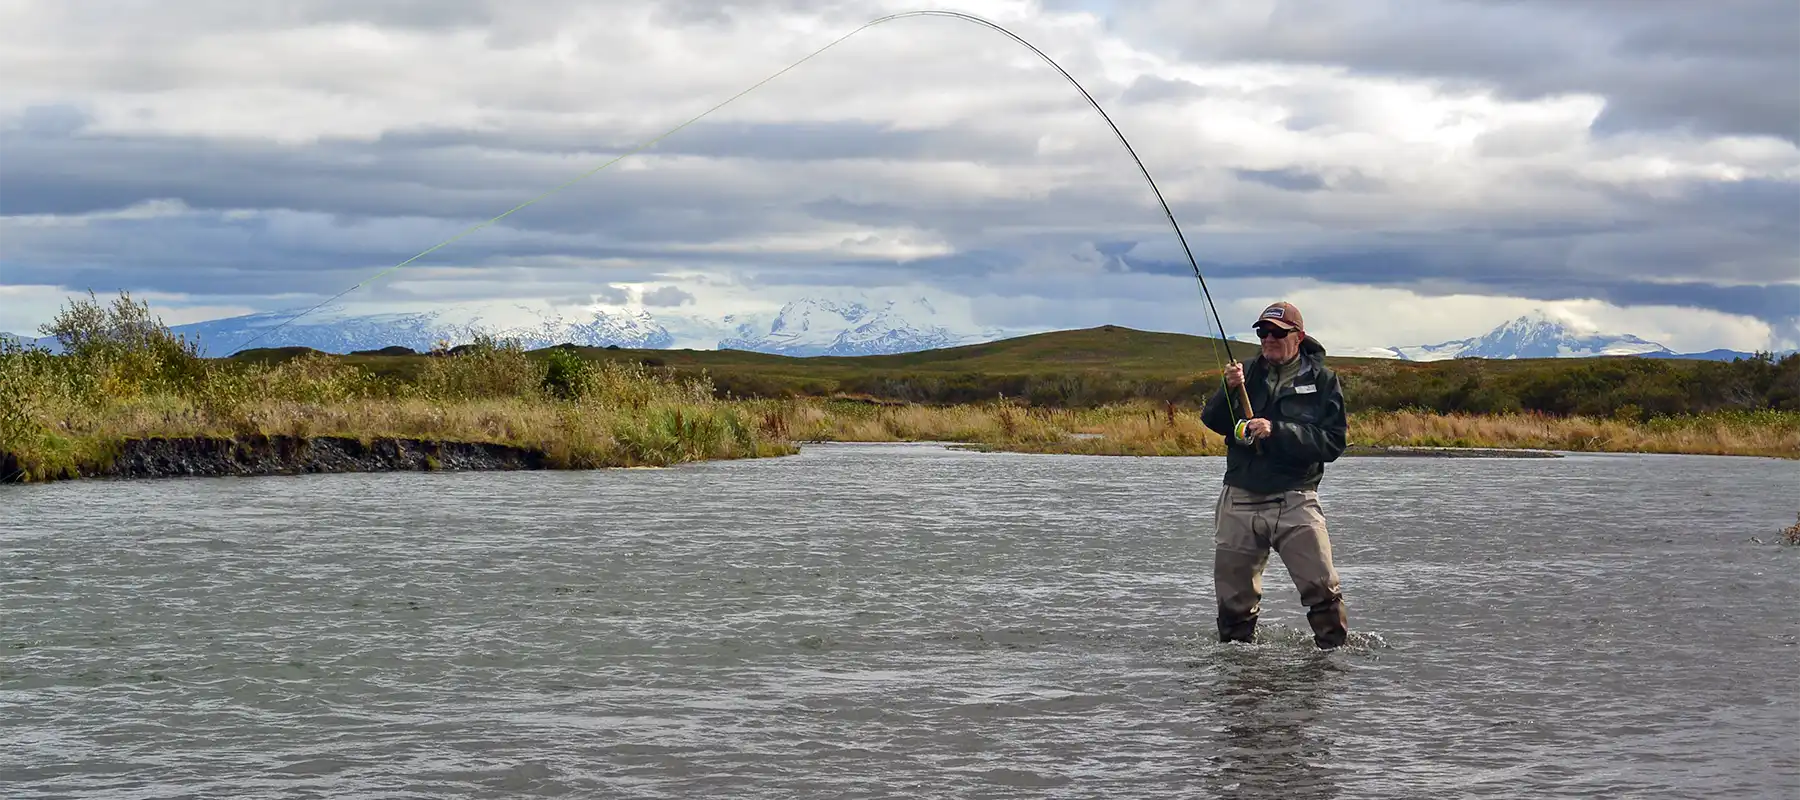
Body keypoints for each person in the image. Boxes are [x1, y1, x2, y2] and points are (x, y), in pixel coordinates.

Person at [1200, 301, 1350, 649]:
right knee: (1233, 604)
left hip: (1295, 497)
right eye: (1262, 332)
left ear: (1298, 337)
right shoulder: (1245, 373)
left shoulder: (1324, 381)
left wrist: (1277, 431)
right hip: (1239, 497)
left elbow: (1333, 442)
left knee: (1322, 588)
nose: (1268, 338)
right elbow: (1213, 420)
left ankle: (1334, 665)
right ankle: (1236, 674)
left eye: (1277, 333)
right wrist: (1226, 389)